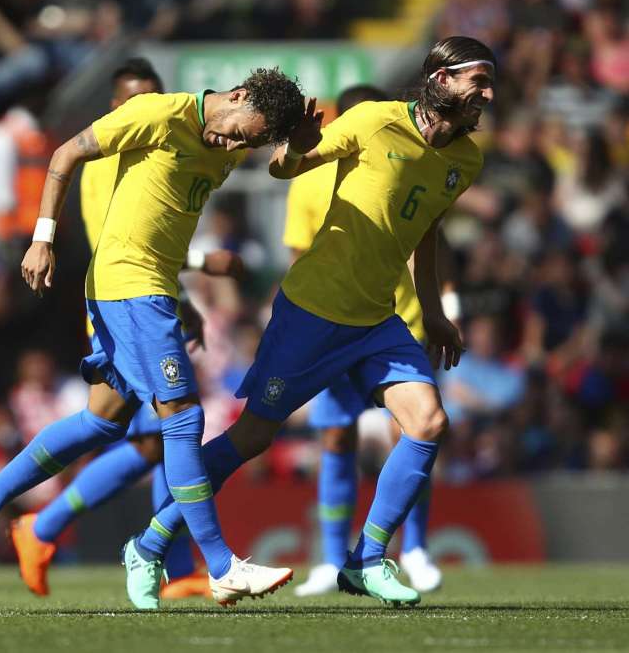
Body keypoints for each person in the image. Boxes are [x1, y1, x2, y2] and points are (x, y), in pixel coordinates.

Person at [125, 36, 494, 608]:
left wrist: (437, 313)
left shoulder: (466, 159)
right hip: (313, 314)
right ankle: (148, 544)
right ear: (443, 80)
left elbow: (427, 231)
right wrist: (297, 148)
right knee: (251, 438)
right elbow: (281, 168)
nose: (488, 94)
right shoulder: (373, 122)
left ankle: (366, 558)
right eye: (479, 81)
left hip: (378, 319)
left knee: (428, 422)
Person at [0, 66, 307, 609]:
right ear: (239, 95)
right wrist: (42, 241)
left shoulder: (224, 144)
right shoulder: (157, 115)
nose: (233, 144)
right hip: (130, 285)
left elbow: (163, 224)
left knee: (103, 420)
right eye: (240, 132)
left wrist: (294, 147)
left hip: (150, 289)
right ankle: (216, 565)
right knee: (181, 419)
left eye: (246, 142)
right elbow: (63, 155)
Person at [289, 85, 446, 597]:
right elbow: (298, 255)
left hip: (398, 320)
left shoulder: (409, 167)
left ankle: (414, 548)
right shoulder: (309, 178)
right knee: (336, 437)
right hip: (333, 323)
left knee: (414, 431)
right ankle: (333, 558)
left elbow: (427, 241)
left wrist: (438, 309)